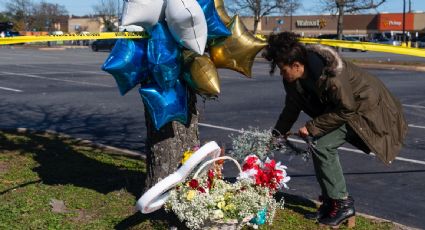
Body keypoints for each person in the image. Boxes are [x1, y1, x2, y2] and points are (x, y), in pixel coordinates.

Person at [263, 32, 407, 228]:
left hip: (365, 109)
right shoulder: (293, 80)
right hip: (344, 109)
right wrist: (276, 135)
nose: (281, 73)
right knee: (317, 145)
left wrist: (312, 126)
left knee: (323, 146)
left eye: (282, 69)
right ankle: (331, 203)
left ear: (296, 65)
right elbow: (291, 108)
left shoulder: (331, 74)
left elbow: (347, 108)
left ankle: (342, 204)